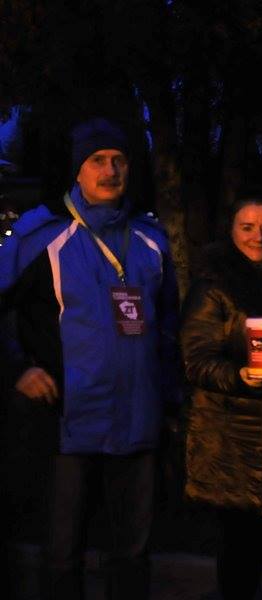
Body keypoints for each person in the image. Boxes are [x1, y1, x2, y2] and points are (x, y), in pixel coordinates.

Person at [0, 117, 179, 599]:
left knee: (133, 555)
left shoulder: (151, 239)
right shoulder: (40, 236)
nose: (110, 170)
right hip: (69, 422)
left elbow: (168, 328)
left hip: (138, 422)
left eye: (119, 160)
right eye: (97, 160)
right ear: (77, 170)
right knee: (63, 555)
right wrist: (18, 368)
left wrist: (169, 402)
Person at [180, 192, 262, 599]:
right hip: (231, 430)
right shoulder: (213, 284)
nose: (258, 237)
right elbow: (195, 359)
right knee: (237, 535)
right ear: (231, 230)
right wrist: (238, 376)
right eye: (248, 227)